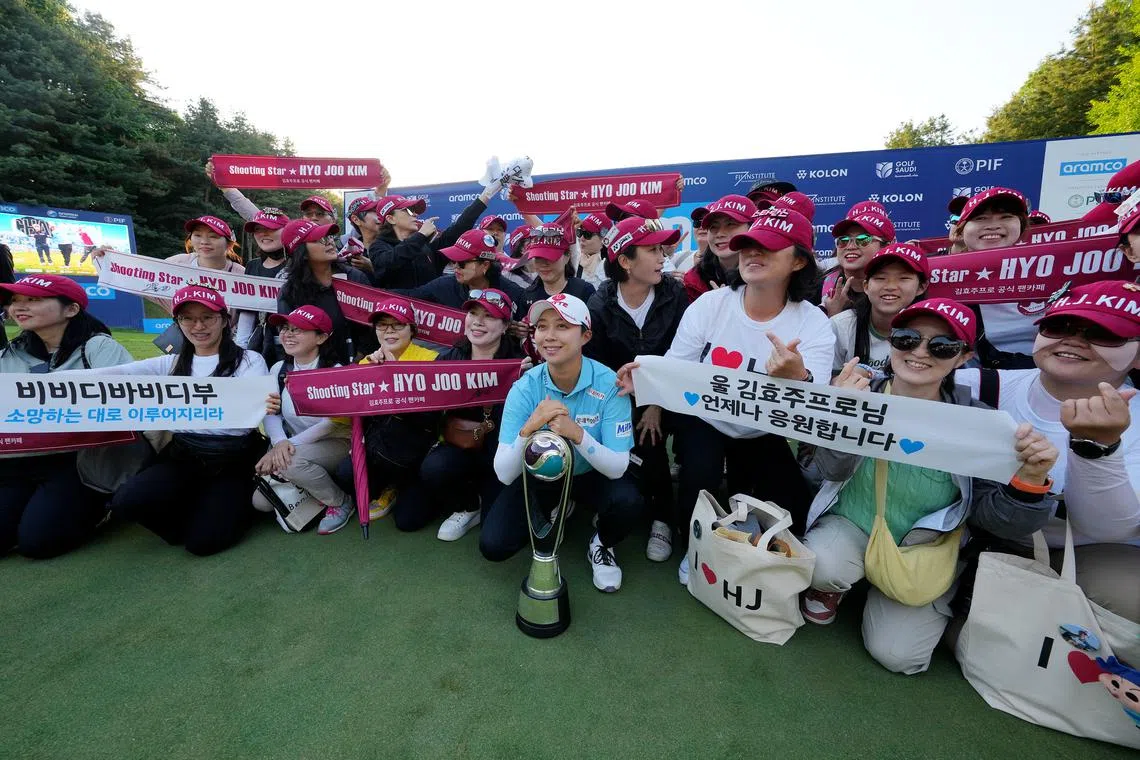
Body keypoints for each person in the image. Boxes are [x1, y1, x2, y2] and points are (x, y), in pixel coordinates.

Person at [801, 298, 1058, 674]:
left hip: (923, 547)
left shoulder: (981, 425)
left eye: (941, 346)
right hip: (850, 525)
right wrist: (844, 417)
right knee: (822, 565)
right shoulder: (858, 394)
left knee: (899, 655)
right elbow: (824, 472)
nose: (919, 352)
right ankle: (834, 583)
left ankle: (905, 592)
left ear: (964, 356)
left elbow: (999, 521)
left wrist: (1031, 482)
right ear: (891, 342)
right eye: (907, 339)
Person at [619, 207, 833, 579]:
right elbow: (676, 364)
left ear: (799, 261)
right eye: (748, 245)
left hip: (764, 429)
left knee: (791, 502)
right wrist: (646, 382)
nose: (752, 253)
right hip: (708, 420)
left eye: (768, 247)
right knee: (697, 477)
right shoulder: (710, 304)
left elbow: (814, 405)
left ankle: (752, 550)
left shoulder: (812, 321)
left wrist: (798, 375)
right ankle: (696, 548)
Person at [957, 280, 1140, 623]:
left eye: (1103, 333)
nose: (1073, 339)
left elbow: (1109, 530)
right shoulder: (976, 385)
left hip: (1084, 555)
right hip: (979, 539)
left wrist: (1096, 448)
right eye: (1059, 325)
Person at [484, 294, 642, 593]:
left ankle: (602, 543)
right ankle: (560, 502)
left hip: (591, 474)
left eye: (562, 326)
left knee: (628, 502)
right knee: (494, 545)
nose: (549, 336)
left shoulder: (609, 383)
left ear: (585, 335)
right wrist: (529, 427)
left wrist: (577, 434)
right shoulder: (525, 387)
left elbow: (618, 467)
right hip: (542, 475)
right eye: (542, 327)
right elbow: (504, 473)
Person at [103, 286, 269, 556]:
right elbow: (113, 374)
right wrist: (44, 385)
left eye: (207, 317)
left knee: (203, 543)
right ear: (178, 323)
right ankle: (196, 509)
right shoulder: (169, 363)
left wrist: (186, 409)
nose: (198, 325)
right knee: (126, 502)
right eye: (188, 318)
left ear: (225, 320)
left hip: (233, 459)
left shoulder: (249, 361)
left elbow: (244, 419)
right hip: (183, 455)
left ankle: (225, 506)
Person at [0, 275, 134, 558]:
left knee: (37, 543)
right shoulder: (8, 355)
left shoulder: (98, 348)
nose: (19, 307)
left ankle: (103, 506)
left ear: (71, 309)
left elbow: (127, 403)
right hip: (15, 465)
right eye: (15, 300)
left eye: (33, 299)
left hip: (81, 464)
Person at [586, 217, 687, 561]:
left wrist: (656, 403)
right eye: (652, 250)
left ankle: (662, 514)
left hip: (672, 394)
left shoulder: (676, 295)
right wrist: (633, 403)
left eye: (663, 249)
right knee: (638, 435)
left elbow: (682, 356)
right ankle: (631, 500)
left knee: (654, 432)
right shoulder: (598, 307)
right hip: (618, 395)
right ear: (625, 262)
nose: (662, 257)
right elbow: (598, 370)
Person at [394, 290, 530, 538]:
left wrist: (527, 381)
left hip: (499, 457)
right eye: (473, 313)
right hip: (458, 448)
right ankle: (467, 504)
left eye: (488, 316)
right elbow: (423, 413)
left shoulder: (521, 364)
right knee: (408, 516)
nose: (477, 321)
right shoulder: (449, 359)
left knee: (495, 534)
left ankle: (483, 500)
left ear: (505, 326)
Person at [335, 296, 439, 523]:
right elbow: (346, 416)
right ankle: (388, 487)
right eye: (382, 325)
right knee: (345, 473)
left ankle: (417, 488)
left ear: (412, 329)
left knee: (408, 521)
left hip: (419, 453)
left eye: (397, 325)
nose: (389, 331)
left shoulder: (432, 360)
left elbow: (432, 417)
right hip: (381, 451)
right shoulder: (367, 364)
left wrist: (393, 370)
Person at [256, 306, 352, 534]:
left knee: (290, 464)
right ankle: (313, 486)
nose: (287, 334)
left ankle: (340, 501)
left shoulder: (335, 372)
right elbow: (271, 412)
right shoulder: (279, 369)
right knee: (260, 503)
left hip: (338, 442)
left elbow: (331, 423)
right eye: (285, 328)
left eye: (298, 330)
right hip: (292, 444)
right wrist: (279, 442)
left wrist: (286, 447)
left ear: (321, 337)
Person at [947, 187, 1034, 368]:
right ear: (961, 230)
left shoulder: (1052, 269)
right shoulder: (937, 274)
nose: (993, 225)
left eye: (1006, 217)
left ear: (1022, 225)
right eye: (980, 218)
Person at [368, 176, 502, 289]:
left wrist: (486, 195)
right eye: (408, 210)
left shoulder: (424, 247)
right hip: (395, 317)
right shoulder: (378, 247)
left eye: (414, 210)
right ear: (391, 218)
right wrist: (421, 236)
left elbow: (457, 229)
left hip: (430, 317)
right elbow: (390, 262)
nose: (415, 214)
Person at [276, 218, 372, 366]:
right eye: (318, 240)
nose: (329, 242)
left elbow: (372, 327)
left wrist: (359, 360)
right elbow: (291, 339)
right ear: (302, 253)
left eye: (328, 237)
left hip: (360, 369)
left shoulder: (355, 278)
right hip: (317, 374)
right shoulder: (289, 292)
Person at [831, 243, 930, 375]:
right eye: (880, 278)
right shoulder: (840, 326)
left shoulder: (933, 332)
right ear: (865, 286)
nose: (890, 286)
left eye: (903, 278)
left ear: (921, 287)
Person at [166, 215, 256, 348]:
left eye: (213, 236)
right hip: (183, 340)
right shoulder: (176, 263)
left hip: (225, 345)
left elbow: (247, 313)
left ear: (229, 243)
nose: (204, 242)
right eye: (197, 235)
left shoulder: (241, 275)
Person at [397, 230, 524, 311]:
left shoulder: (513, 293)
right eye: (453, 261)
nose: (456, 267)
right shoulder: (443, 285)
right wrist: (376, 294)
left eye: (462, 263)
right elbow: (409, 296)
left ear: (485, 265)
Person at [821, 205, 896, 317]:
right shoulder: (820, 284)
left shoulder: (898, 289)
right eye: (843, 240)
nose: (850, 247)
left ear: (886, 247)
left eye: (863, 239)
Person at [682, 195, 757, 303]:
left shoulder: (768, 276)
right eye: (713, 227)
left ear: (753, 228)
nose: (720, 234)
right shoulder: (692, 280)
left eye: (731, 224)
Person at [517, 223, 596, 316]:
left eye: (550, 257)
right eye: (538, 258)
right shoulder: (528, 296)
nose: (544, 264)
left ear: (567, 257)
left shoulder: (584, 291)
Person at [241, 208, 290, 278]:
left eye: (271, 228)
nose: (263, 233)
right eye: (257, 229)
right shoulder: (252, 265)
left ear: (287, 231)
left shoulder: (300, 266)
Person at [575, 212, 611, 290]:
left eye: (587, 234)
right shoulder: (574, 257)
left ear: (603, 239)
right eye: (580, 232)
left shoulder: (610, 266)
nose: (581, 238)